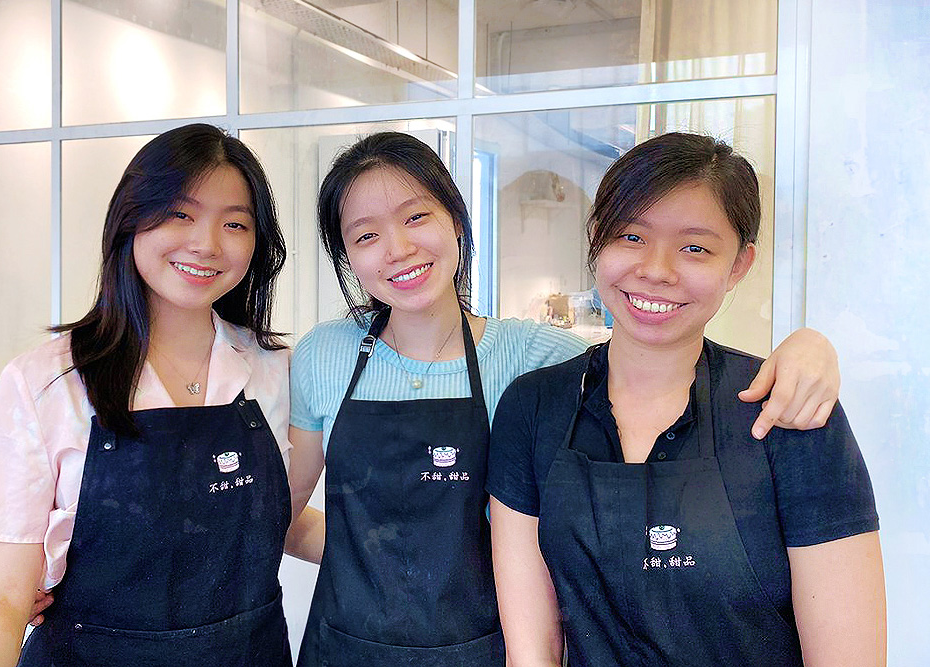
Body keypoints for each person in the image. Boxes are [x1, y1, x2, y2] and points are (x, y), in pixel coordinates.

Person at [287, 131, 843, 666]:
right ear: (347, 256)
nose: (398, 249)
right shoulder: (323, 356)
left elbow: (652, 349)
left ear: (455, 221)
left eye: (416, 217)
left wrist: (808, 347)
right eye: (365, 236)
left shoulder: (538, 362)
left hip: (490, 645)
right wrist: (379, 563)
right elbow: (279, 516)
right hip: (345, 646)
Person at [487, 132, 886, 666]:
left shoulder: (786, 413)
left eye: (695, 247)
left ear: (739, 266)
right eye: (631, 236)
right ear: (596, 238)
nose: (656, 269)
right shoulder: (534, 407)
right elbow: (532, 652)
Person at [0, 123, 312, 666]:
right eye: (181, 214)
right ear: (131, 218)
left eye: (235, 223)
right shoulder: (49, 381)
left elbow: (275, 517)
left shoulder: (278, 370)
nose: (206, 243)